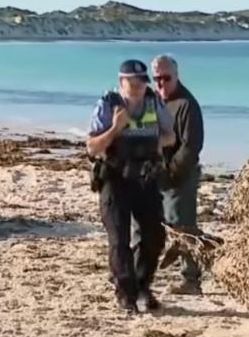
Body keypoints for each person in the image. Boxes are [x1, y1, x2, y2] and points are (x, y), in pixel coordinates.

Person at [87, 59, 176, 313]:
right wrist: (116, 128)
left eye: (141, 82)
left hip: (145, 178)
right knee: (119, 239)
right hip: (115, 179)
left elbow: (171, 135)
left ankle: (141, 286)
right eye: (132, 82)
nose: (137, 87)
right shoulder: (108, 104)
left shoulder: (153, 102)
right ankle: (125, 295)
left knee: (155, 236)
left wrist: (159, 141)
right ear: (121, 82)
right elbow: (92, 148)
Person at [152, 54, 205, 295]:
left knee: (184, 227)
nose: (161, 83)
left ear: (176, 76)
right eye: (157, 79)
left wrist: (172, 171)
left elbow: (191, 145)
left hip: (181, 174)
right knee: (164, 224)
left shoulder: (186, 104)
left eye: (166, 78)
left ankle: (191, 280)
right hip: (159, 172)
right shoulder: (157, 102)